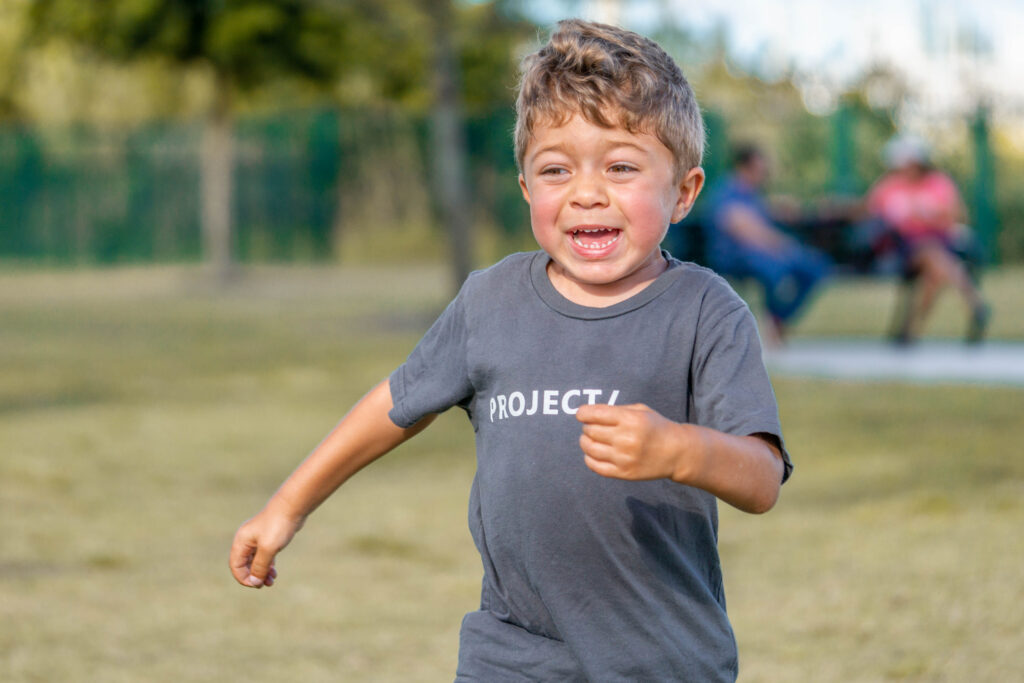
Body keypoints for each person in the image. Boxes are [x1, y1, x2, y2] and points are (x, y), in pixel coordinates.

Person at [229, 19, 790, 681]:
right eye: (556, 169)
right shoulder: (489, 302)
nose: (587, 192)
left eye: (620, 166)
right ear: (527, 188)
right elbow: (396, 403)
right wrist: (286, 506)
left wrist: (679, 449)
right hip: (512, 655)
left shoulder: (705, 309)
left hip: (661, 660)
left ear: (684, 191)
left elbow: (760, 479)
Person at [865, 135, 991, 344]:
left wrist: (926, 215)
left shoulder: (938, 183)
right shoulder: (889, 186)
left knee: (934, 272)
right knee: (932, 255)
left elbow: (957, 215)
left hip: (940, 241)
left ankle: (911, 331)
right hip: (903, 247)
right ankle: (975, 303)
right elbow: (870, 212)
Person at [704, 144, 831, 344]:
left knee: (815, 267)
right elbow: (747, 231)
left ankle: (779, 317)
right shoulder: (727, 192)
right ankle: (769, 324)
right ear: (744, 166)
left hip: (764, 252)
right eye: (760, 167)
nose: (764, 172)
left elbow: (762, 217)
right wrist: (782, 246)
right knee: (774, 270)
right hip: (737, 257)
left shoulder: (753, 194)